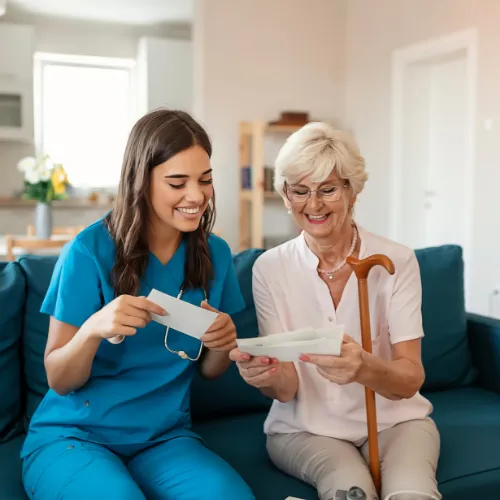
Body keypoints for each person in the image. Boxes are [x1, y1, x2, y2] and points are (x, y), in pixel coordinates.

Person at [20, 109, 255, 500]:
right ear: (140, 182)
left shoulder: (215, 254)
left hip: (163, 438)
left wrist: (222, 344)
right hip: (76, 437)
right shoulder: (88, 252)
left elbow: (211, 371)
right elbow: (59, 378)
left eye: (205, 180)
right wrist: (94, 328)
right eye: (177, 182)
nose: (196, 196)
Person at [230, 122, 441, 500]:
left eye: (327, 189)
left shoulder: (396, 260)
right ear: (284, 193)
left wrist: (364, 367)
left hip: (396, 422)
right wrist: (264, 374)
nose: (313, 205)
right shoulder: (270, 268)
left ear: (352, 191)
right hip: (306, 429)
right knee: (351, 493)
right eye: (300, 191)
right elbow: (287, 388)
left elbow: (410, 380)